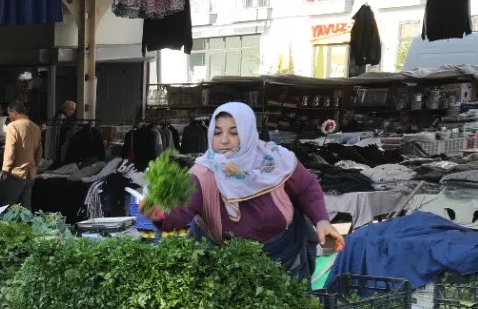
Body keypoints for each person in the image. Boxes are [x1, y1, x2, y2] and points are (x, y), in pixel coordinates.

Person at [146, 101, 343, 278]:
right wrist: (157, 213)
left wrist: (321, 220)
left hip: (286, 257)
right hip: (230, 268)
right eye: (218, 132)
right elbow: (180, 213)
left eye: (234, 132)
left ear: (248, 132)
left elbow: (306, 187)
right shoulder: (203, 173)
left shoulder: (274, 158)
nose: (224, 140)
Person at [0, 99, 40, 207]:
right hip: (30, 173)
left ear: (14, 113)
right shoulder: (36, 127)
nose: (9, 117)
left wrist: (5, 169)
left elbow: (10, 150)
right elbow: (39, 150)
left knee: (7, 206)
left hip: (16, 173)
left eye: (9, 114)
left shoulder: (12, 127)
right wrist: (35, 165)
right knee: (26, 208)